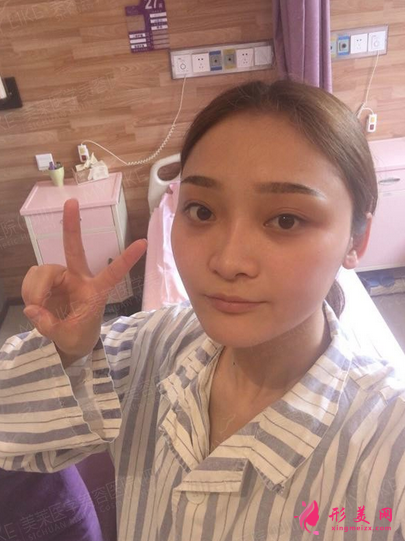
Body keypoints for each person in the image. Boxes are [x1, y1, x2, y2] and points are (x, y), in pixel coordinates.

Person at [0, 79, 404, 541]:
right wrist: (69, 352)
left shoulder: (388, 444)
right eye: (202, 212)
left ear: (356, 241)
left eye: (285, 219)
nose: (228, 261)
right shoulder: (154, 345)